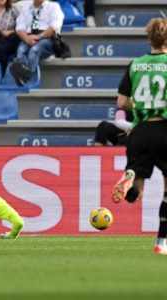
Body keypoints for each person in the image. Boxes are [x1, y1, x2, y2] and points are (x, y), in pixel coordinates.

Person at [111, 18, 167, 255]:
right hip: (164, 129)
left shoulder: (136, 64)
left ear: (148, 38)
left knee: (136, 195)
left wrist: (143, 102)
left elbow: (122, 102)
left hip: (140, 130)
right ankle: (161, 243)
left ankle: (130, 178)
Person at [9, 0, 64, 86]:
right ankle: (24, 73)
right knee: (21, 50)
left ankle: (25, 76)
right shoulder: (26, 9)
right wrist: (27, 39)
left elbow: (55, 26)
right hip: (29, 36)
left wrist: (39, 36)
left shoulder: (53, 6)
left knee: (34, 50)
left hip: (48, 38)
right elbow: (19, 28)